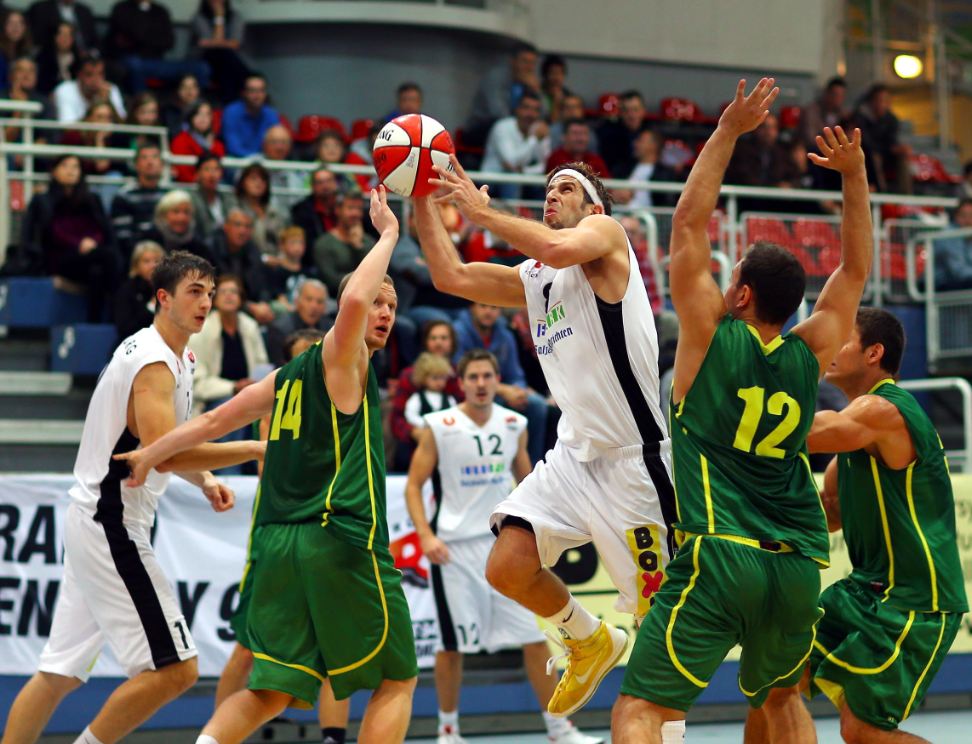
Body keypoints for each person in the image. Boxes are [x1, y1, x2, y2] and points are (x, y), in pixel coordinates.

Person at [610, 79, 873, 744]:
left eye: (732, 279)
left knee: (640, 710)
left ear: (743, 294)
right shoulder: (811, 351)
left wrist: (727, 129)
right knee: (781, 700)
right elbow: (853, 272)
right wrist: (854, 175)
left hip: (721, 554)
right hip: (797, 565)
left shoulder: (708, 333)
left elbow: (687, 224)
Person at [112, 187, 419, 744]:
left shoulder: (285, 377)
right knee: (397, 678)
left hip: (279, 546)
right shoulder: (344, 357)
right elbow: (352, 302)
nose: (384, 312)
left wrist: (150, 454)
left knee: (272, 690)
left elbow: (211, 421)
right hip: (339, 536)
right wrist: (390, 235)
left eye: (392, 306)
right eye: (378, 300)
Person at [418, 155, 675, 720]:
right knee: (506, 566)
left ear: (594, 206)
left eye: (566, 188)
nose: (552, 195)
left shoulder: (608, 234)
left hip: (635, 461)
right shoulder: (537, 277)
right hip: (572, 457)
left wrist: (481, 212)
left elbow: (559, 249)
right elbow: (450, 277)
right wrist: (420, 199)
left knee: (659, 628)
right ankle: (588, 638)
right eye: (549, 189)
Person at [0, 251, 260, 744]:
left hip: (95, 518)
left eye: (210, 292)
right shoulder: (153, 362)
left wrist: (205, 478)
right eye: (194, 292)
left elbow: (164, 442)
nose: (206, 302)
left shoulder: (177, 355)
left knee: (59, 672)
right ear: (163, 298)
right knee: (177, 669)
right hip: (111, 521)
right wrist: (255, 447)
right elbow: (163, 454)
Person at [406, 349, 600, 744]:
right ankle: (448, 731)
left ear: (498, 381)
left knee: (534, 638)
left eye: (487, 376)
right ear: (461, 383)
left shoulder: (515, 424)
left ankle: (559, 728)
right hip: (455, 549)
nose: (481, 384)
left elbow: (529, 484)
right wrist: (426, 535)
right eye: (473, 377)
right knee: (451, 645)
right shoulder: (439, 425)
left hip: (502, 547)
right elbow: (413, 485)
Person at [804, 308, 968, 744]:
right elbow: (830, 518)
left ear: (873, 353)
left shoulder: (883, 409)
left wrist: (743, 399)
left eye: (843, 339)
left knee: (863, 730)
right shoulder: (856, 437)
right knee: (776, 674)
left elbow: (805, 431)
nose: (830, 348)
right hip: (867, 589)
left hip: (915, 599)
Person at [19, 154, 119, 321]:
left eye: (75, 167)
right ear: (54, 171)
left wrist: (92, 241)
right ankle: (116, 314)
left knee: (97, 271)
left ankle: (95, 322)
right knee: (109, 258)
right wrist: (78, 243)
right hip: (58, 256)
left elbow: (102, 228)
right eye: (65, 166)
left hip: (91, 254)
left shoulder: (92, 199)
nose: (71, 171)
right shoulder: (42, 200)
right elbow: (50, 232)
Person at [453, 302, 549, 464]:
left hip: (501, 393)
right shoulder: (459, 332)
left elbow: (515, 374)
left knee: (536, 405)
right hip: (470, 394)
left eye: (494, 307)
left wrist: (518, 391)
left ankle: (534, 466)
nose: (488, 312)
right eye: (483, 306)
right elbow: (460, 375)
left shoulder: (505, 335)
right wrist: (503, 390)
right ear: (472, 308)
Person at [189, 273, 269, 464]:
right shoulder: (202, 330)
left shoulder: (250, 326)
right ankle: (229, 471)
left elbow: (262, 364)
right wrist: (234, 387)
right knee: (232, 405)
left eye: (234, 291)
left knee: (269, 407)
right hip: (213, 399)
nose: (229, 296)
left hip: (250, 393)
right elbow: (198, 383)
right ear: (214, 299)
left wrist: (254, 384)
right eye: (223, 291)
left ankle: (263, 468)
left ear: (241, 298)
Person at [390, 320, 464, 472]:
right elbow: (397, 419)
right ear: (426, 342)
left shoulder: (460, 376)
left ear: (452, 343)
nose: (438, 343)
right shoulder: (409, 375)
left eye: (444, 338)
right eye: (433, 338)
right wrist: (415, 431)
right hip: (416, 442)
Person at [105, 0, 210, 93]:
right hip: (130, 58)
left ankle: (198, 105)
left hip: (157, 61)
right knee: (135, 64)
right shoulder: (122, 9)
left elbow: (168, 42)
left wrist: (142, 39)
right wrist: (149, 37)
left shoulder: (160, 11)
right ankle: (143, 102)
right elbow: (125, 38)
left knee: (201, 67)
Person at [464, 42, 540, 147]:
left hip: (512, 128)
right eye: (525, 61)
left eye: (532, 63)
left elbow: (542, 114)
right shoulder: (496, 77)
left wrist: (536, 91)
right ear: (513, 61)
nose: (529, 67)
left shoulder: (529, 83)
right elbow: (498, 112)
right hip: (482, 127)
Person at [480, 90, 550, 200]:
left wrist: (524, 171)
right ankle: (512, 211)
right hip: (492, 180)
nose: (530, 114)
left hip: (524, 178)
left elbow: (544, 165)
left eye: (535, 110)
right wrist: (533, 139)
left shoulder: (539, 130)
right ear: (517, 110)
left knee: (546, 187)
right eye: (526, 108)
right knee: (511, 178)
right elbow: (511, 162)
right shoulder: (503, 127)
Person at [211, 207, 274, 324]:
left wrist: (264, 304)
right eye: (237, 225)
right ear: (226, 227)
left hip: (251, 307)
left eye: (247, 227)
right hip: (220, 307)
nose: (242, 231)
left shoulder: (253, 250)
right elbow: (215, 292)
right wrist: (249, 307)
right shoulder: (212, 249)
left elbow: (263, 285)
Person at [111, 143, 168, 263]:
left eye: (154, 157)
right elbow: (123, 236)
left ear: (162, 165)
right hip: (136, 256)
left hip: (167, 252)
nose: (150, 162)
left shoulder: (169, 195)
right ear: (136, 165)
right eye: (144, 158)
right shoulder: (123, 195)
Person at [313, 190, 375, 297]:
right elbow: (331, 280)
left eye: (359, 209)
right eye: (350, 208)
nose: (355, 213)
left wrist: (359, 247)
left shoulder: (369, 242)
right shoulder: (324, 243)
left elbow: (376, 274)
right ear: (337, 210)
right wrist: (363, 281)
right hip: (334, 299)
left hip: (367, 298)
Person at [853, 84, 912, 194]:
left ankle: (906, 195)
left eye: (885, 100)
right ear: (871, 101)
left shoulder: (892, 119)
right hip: (866, 155)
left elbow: (891, 140)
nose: (881, 104)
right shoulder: (861, 118)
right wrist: (888, 149)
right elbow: (865, 142)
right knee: (875, 157)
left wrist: (898, 149)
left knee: (902, 158)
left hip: (885, 154)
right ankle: (881, 192)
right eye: (879, 100)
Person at [191, 0, 250, 105]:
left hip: (228, 61)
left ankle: (231, 104)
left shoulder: (235, 17)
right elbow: (210, 45)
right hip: (206, 58)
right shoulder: (199, 18)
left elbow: (234, 44)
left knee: (226, 60)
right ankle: (231, 104)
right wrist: (219, 18)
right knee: (224, 56)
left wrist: (213, 43)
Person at [266, 277, 333, 366]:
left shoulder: (331, 329)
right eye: (309, 299)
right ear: (297, 301)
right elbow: (280, 367)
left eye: (319, 302)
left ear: (325, 306)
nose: (314, 306)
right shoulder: (279, 329)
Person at [232, 161, 287, 257]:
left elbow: (283, 239)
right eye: (253, 178)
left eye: (263, 179)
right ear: (243, 183)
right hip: (247, 260)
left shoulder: (274, 211)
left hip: (277, 259)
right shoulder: (236, 211)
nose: (259, 183)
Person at [54, 52, 127, 122]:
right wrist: (96, 104)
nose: (95, 79)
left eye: (100, 74)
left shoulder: (110, 89)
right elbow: (67, 128)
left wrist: (108, 102)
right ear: (79, 75)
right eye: (89, 74)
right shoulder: (65, 90)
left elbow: (123, 126)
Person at [144, 189, 214, 263]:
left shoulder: (198, 243)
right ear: (163, 214)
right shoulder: (149, 238)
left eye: (186, 212)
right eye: (176, 212)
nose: (182, 218)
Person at [113, 240, 163, 340]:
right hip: (133, 344)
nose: (153, 266)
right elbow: (125, 329)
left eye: (157, 261)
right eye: (146, 261)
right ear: (136, 265)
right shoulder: (127, 290)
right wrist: (151, 306)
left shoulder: (169, 289)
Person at [221, 72, 280, 157]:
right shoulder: (231, 112)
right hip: (236, 162)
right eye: (252, 90)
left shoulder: (270, 114)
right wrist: (256, 158)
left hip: (264, 162)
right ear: (244, 93)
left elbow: (276, 144)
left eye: (261, 90)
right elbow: (233, 148)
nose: (257, 95)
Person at [290, 167, 339, 259]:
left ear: (336, 183)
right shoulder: (301, 211)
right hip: (314, 259)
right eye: (320, 182)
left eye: (328, 181)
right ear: (312, 186)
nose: (325, 186)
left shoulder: (345, 207)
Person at [171, 101, 225, 183]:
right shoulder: (181, 140)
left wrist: (211, 146)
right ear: (191, 117)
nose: (203, 118)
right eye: (198, 114)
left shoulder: (217, 144)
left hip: (212, 186)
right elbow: (181, 171)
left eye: (207, 114)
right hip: (187, 186)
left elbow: (220, 169)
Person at [598, 90, 647, 176]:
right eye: (626, 110)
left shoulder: (652, 133)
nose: (631, 115)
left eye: (635, 110)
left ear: (643, 111)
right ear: (620, 112)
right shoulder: (609, 135)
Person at [26, 0, 98, 55]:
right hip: (52, 56)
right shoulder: (40, 9)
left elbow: (93, 39)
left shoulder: (85, 11)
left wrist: (91, 53)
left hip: (84, 57)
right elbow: (37, 39)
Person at [932, 197, 972, 291]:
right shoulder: (947, 235)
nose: (968, 221)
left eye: (971, 216)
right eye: (964, 216)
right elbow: (958, 272)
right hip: (938, 286)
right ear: (956, 217)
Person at [799, 76, 849, 151]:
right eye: (835, 95)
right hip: (814, 150)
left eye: (841, 96)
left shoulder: (844, 114)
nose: (838, 99)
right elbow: (810, 138)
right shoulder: (812, 111)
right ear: (827, 93)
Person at [190, 153, 232, 240]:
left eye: (216, 169)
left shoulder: (228, 199)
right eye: (207, 169)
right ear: (197, 174)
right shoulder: (190, 200)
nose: (212, 175)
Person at [34, 21, 77, 95]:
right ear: (54, 37)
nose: (64, 39)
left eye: (68, 35)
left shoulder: (79, 60)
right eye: (61, 34)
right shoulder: (43, 58)